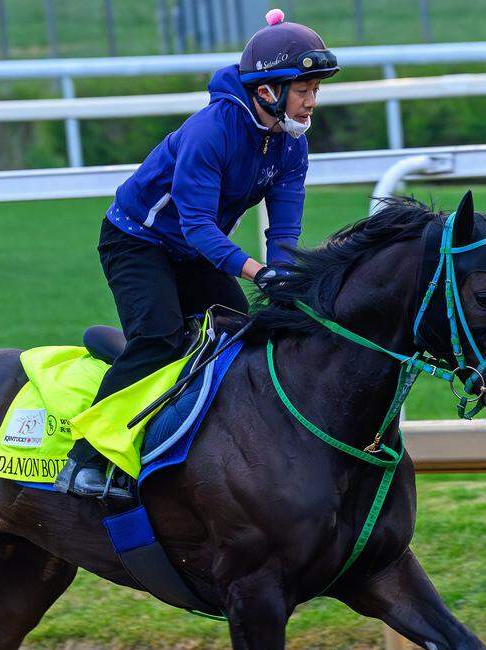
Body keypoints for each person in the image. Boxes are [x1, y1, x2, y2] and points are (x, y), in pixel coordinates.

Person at [54, 9, 339, 501]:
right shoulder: (213, 131)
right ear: (268, 90)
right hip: (137, 241)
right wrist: (258, 271)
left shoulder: (291, 146)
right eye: (304, 90)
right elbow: (199, 227)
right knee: (161, 338)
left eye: (316, 90)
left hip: (194, 250)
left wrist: (287, 283)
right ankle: (84, 460)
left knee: (238, 338)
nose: (312, 102)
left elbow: (285, 228)